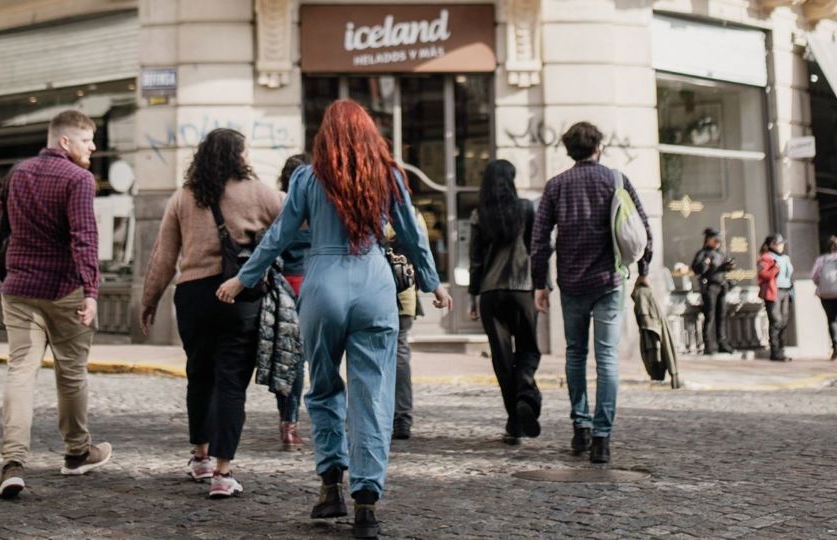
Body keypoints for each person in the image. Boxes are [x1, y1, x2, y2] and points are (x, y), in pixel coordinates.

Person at [216, 99, 452, 539]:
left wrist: (243, 278)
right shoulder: (387, 175)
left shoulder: (308, 177)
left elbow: (279, 234)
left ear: (325, 136)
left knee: (323, 387)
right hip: (375, 286)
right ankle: (366, 502)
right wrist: (432, 283)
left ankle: (330, 486)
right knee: (373, 395)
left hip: (322, 286)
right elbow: (413, 234)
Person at [139, 128, 284, 498]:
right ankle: (222, 473)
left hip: (193, 296)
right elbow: (295, 222)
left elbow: (163, 256)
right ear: (239, 156)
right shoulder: (258, 192)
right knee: (231, 382)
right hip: (240, 295)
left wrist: (149, 300)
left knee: (199, 375)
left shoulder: (184, 196)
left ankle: (200, 457)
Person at [0, 110, 110, 499]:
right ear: (64, 141)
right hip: (64, 291)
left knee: (20, 373)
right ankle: (77, 453)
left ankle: (12, 464)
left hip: (19, 287)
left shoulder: (17, 173)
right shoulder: (79, 179)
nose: (93, 147)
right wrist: (91, 290)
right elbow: (84, 236)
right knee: (71, 373)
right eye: (86, 140)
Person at [530, 122, 653, 465]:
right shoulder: (615, 180)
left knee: (575, 354)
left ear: (569, 151)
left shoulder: (556, 186)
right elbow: (641, 227)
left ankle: (580, 427)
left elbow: (540, 240)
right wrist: (643, 271)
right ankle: (602, 438)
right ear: (598, 147)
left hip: (571, 282)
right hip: (609, 281)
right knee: (607, 358)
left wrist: (540, 283)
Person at [468, 159, 541, 445]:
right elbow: (536, 249)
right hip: (522, 290)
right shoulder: (526, 209)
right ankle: (526, 394)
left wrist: (473, 297)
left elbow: (475, 260)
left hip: (490, 293)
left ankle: (515, 421)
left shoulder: (479, 215)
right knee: (528, 349)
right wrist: (542, 286)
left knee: (502, 359)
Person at [275, 153, 311, 451]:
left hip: (284, 287)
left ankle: (286, 420)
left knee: (285, 357)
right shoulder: (318, 208)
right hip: (312, 287)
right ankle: (291, 425)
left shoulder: (280, 207)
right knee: (301, 359)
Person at [384, 207, 429, 441]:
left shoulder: (368, 207)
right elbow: (422, 252)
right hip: (404, 292)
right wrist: (430, 284)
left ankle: (379, 416)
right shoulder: (413, 214)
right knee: (400, 353)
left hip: (373, 291)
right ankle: (402, 418)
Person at [691, 228, 736, 355]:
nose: (717, 243)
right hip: (710, 287)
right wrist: (705, 264)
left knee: (721, 315)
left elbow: (725, 268)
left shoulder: (721, 253)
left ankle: (722, 342)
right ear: (708, 240)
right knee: (709, 315)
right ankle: (708, 344)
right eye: (715, 241)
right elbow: (696, 269)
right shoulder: (703, 253)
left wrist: (729, 266)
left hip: (721, 286)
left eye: (719, 241)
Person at [758, 233, 795, 362]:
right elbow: (763, 275)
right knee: (776, 321)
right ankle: (775, 352)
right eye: (779, 243)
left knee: (784, 321)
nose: (782, 246)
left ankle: (782, 350)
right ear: (772, 245)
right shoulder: (766, 258)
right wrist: (774, 269)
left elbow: (789, 275)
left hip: (786, 291)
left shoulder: (785, 258)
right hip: (774, 292)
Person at [811, 236, 837, 361]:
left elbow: (814, 276)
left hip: (826, 293)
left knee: (831, 320)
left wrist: (821, 285)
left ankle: (835, 346)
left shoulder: (821, 259)